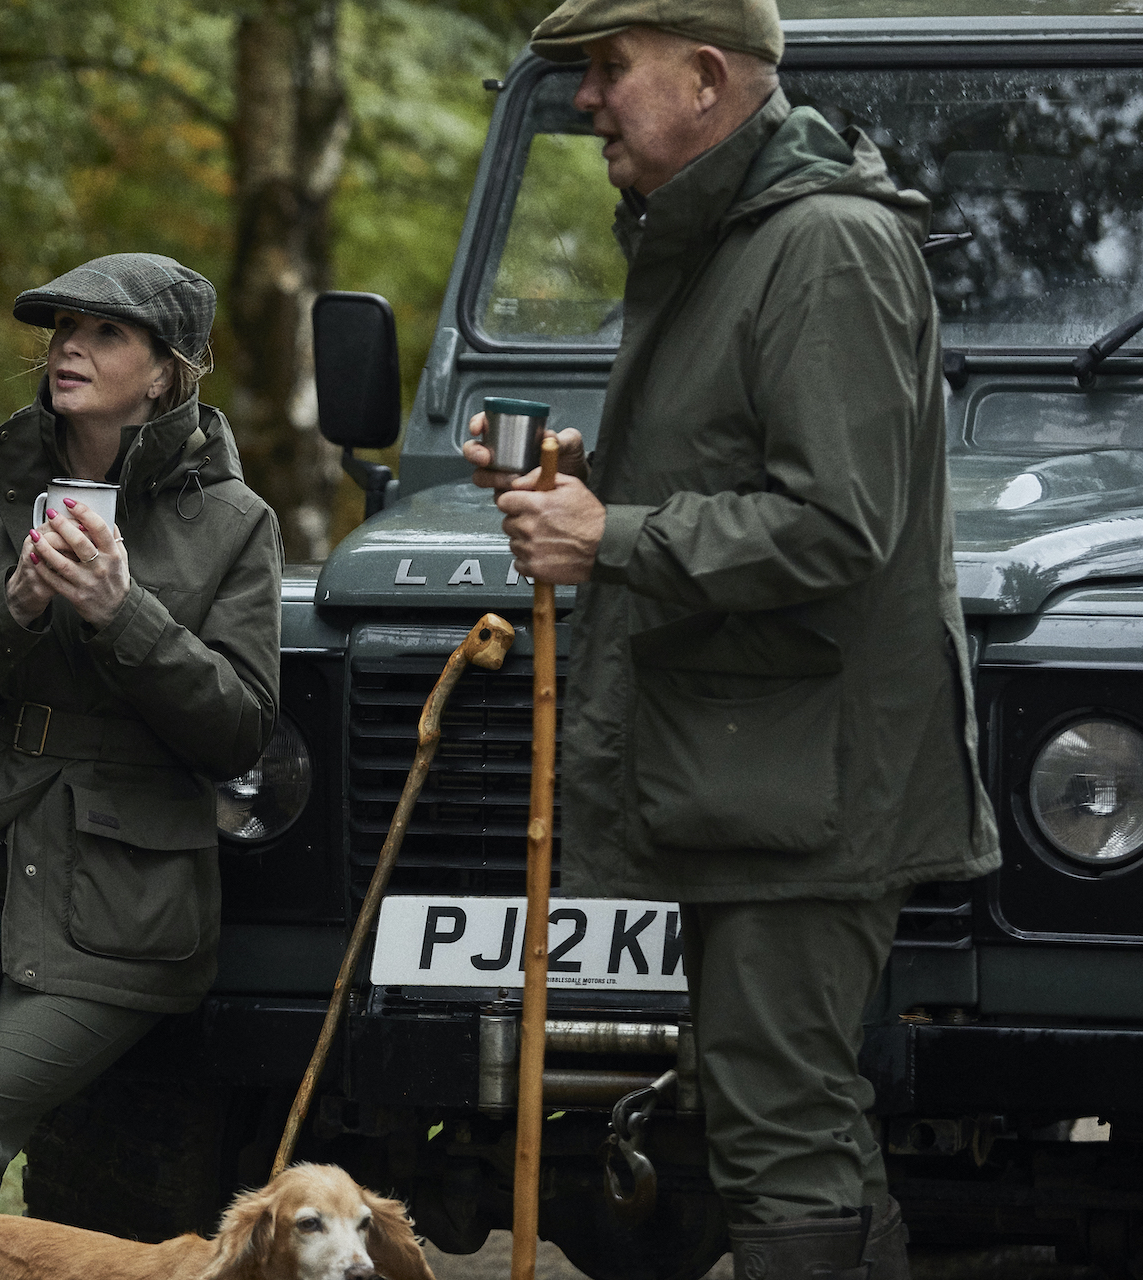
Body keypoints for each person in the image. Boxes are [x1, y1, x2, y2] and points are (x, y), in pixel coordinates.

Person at [463, 1, 1000, 1276]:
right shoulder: (731, 237)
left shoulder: (821, 247)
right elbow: (755, 465)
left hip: (809, 784)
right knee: (783, 1105)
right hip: (757, 773)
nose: (586, 100)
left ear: (706, 78)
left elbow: (835, 524)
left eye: (608, 70)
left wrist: (615, 537)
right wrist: (598, 482)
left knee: (781, 1118)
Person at [0, 253, 282, 1272]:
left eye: (106, 332)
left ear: (168, 371)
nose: (68, 345)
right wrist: (13, 604)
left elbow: (241, 735)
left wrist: (124, 613)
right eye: (61, 327)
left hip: (124, 887)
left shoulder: (234, 523)